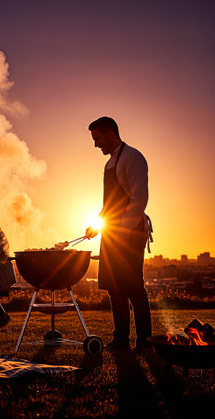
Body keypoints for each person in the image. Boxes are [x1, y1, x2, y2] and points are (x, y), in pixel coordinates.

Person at [85, 116, 152, 352]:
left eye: (98, 138)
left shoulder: (133, 157)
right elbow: (111, 203)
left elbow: (139, 199)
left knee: (133, 285)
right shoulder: (109, 164)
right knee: (114, 287)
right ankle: (121, 339)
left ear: (111, 132)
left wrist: (121, 230)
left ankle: (145, 341)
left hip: (130, 233)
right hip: (112, 233)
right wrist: (97, 224)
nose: (96, 145)